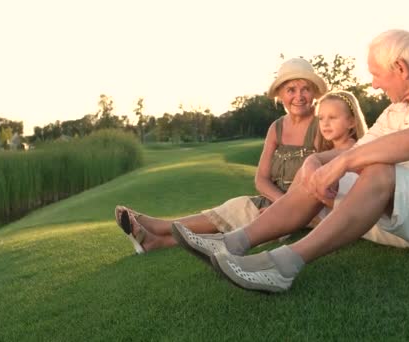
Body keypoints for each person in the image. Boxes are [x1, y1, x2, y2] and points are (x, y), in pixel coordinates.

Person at [172, 29, 409, 293]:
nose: (373, 83)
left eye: (376, 74)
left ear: (399, 68)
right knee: (316, 170)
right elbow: (355, 149)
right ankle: (233, 242)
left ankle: (283, 267)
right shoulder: (395, 110)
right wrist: (317, 160)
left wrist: (342, 164)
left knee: (378, 171)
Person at [114, 57, 328, 254]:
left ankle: (157, 227)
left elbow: (328, 181)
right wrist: (281, 205)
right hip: (272, 201)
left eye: (305, 89)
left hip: (305, 210)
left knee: (242, 220)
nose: (299, 96)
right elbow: (261, 179)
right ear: (280, 94)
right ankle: (156, 241)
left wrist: (289, 210)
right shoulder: (276, 127)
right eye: (291, 89)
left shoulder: (322, 125)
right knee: (236, 209)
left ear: (314, 93)